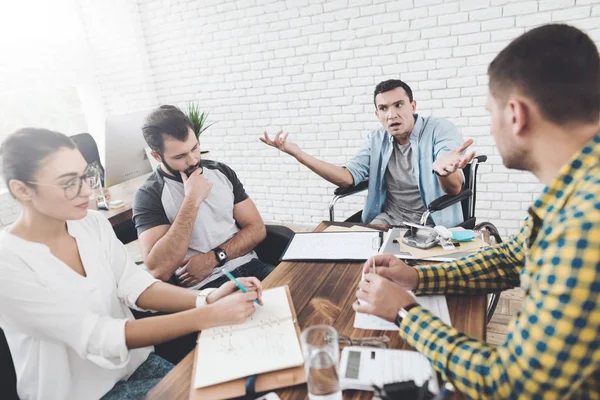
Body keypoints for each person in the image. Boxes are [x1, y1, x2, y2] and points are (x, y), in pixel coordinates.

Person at [354, 24, 600, 398]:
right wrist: (418, 278)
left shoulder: (583, 225)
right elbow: (511, 258)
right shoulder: (576, 186)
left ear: (515, 115)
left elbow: (509, 384)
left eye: (490, 113)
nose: (490, 125)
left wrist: (406, 314)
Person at [0, 128, 263, 400]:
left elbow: (136, 286)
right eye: (69, 183)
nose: (87, 190)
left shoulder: (92, 224)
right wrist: (208, 316)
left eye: (86, 175)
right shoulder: (8, 262)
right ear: (22, 189)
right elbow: (96, 336)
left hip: (137, 366)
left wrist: (206, 299)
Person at [260, 79, 475, 227]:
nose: (392, 115)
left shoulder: (440, 129)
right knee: (360, 262)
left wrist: (443, 172)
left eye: (399, 105)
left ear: (412, 105)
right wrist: (299, 154)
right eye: (383, 108)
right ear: (377, 114)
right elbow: (346, 178)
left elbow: (455, 188)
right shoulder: (376, 140)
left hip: (432, 222)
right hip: (389, 218)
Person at [133, 105, 274, 289]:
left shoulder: (220, 171)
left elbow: (256, 228)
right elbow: (160, 269)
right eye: (180, 156)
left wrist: (214, 258)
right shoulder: (149, 195)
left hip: (251, 267)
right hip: (204, 289)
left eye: (195, 148)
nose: (192, 160)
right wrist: (191, 200)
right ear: (156, 156)